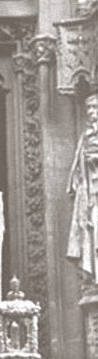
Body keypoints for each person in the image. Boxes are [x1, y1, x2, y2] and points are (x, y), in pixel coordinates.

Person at [67, 93, 98, 282]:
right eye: (88, 109)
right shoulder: (85, 137)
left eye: (94, 108)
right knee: (91, 229)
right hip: (90, 192)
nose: (91, 112)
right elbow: (77, 168)